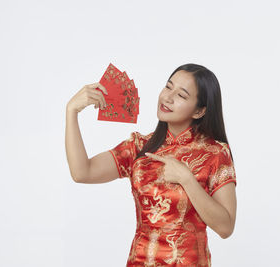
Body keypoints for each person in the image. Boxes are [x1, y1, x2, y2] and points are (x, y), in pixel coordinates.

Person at [65, 63, 237, 266]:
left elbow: (225, 227)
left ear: (199, 111)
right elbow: (82, 172)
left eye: (181, 95)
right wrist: (71, 112)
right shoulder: (138, 146)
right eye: (168, 86)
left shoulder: (214, 153)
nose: (168, 97)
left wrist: (186, 179)